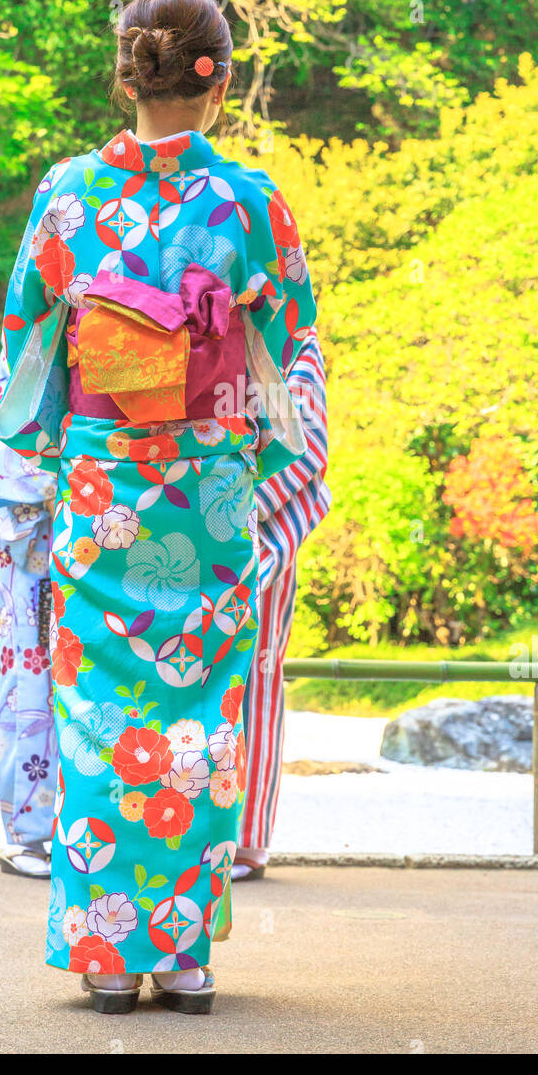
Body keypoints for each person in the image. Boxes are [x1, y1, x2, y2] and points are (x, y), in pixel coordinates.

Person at [0, 0, 318, 1015]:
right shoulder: (251, 203)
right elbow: (291, 352)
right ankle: (183, 958)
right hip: (209, 492)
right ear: (215, 83)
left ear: (127, 74)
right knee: (199, 718)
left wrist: (45, 456)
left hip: (104, 486)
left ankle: (105, 956)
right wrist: (263, 464)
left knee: (97, 714)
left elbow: (25, 348)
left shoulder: (67, 196)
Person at [234, 331, 330, 879]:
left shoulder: (288, 342)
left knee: (259, 675)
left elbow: (300, 447)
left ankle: (246, 838)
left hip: (259, 524)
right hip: (191, 511)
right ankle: (198, 832)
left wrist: (235, 507)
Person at [0, 357, 57, 877]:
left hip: (96, 528)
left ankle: (80, 825)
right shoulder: (19, 360)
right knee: (32, 682)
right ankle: (28, 832)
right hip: (37, 545)